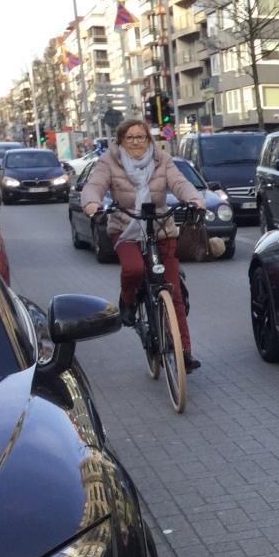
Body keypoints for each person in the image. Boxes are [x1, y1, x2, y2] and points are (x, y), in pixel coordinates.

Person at [82, 119, 206, 372]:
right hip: (126, 226)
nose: (136, 142)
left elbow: (179, 182)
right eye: (130, 138)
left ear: (149, 140)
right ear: (120, 141)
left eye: (141, 137)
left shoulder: (162, 160)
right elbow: (94, 185)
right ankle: (128, 301)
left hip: (160, 226)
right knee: (134, 270)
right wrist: (92, 204)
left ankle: (183, 352)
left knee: (174, 292)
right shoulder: (109, 161)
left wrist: (194, 198)